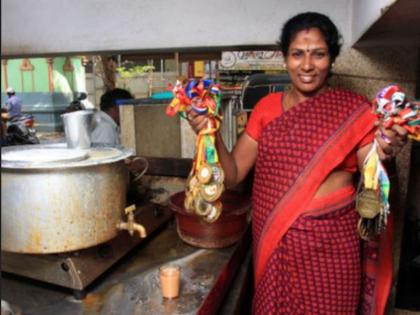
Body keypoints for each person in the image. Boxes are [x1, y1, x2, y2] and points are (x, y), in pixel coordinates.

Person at [187, 12, 408, 315]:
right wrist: (207, 132)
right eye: (297, 54)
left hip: (332, 249)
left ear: (331, 59)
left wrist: (387, 147)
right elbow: (234, 174)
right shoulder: (266, 109)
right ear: (285, 58)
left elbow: (372, 160)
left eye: (318, 54)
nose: (307, 65)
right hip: (276, 243)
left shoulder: (354, 111)